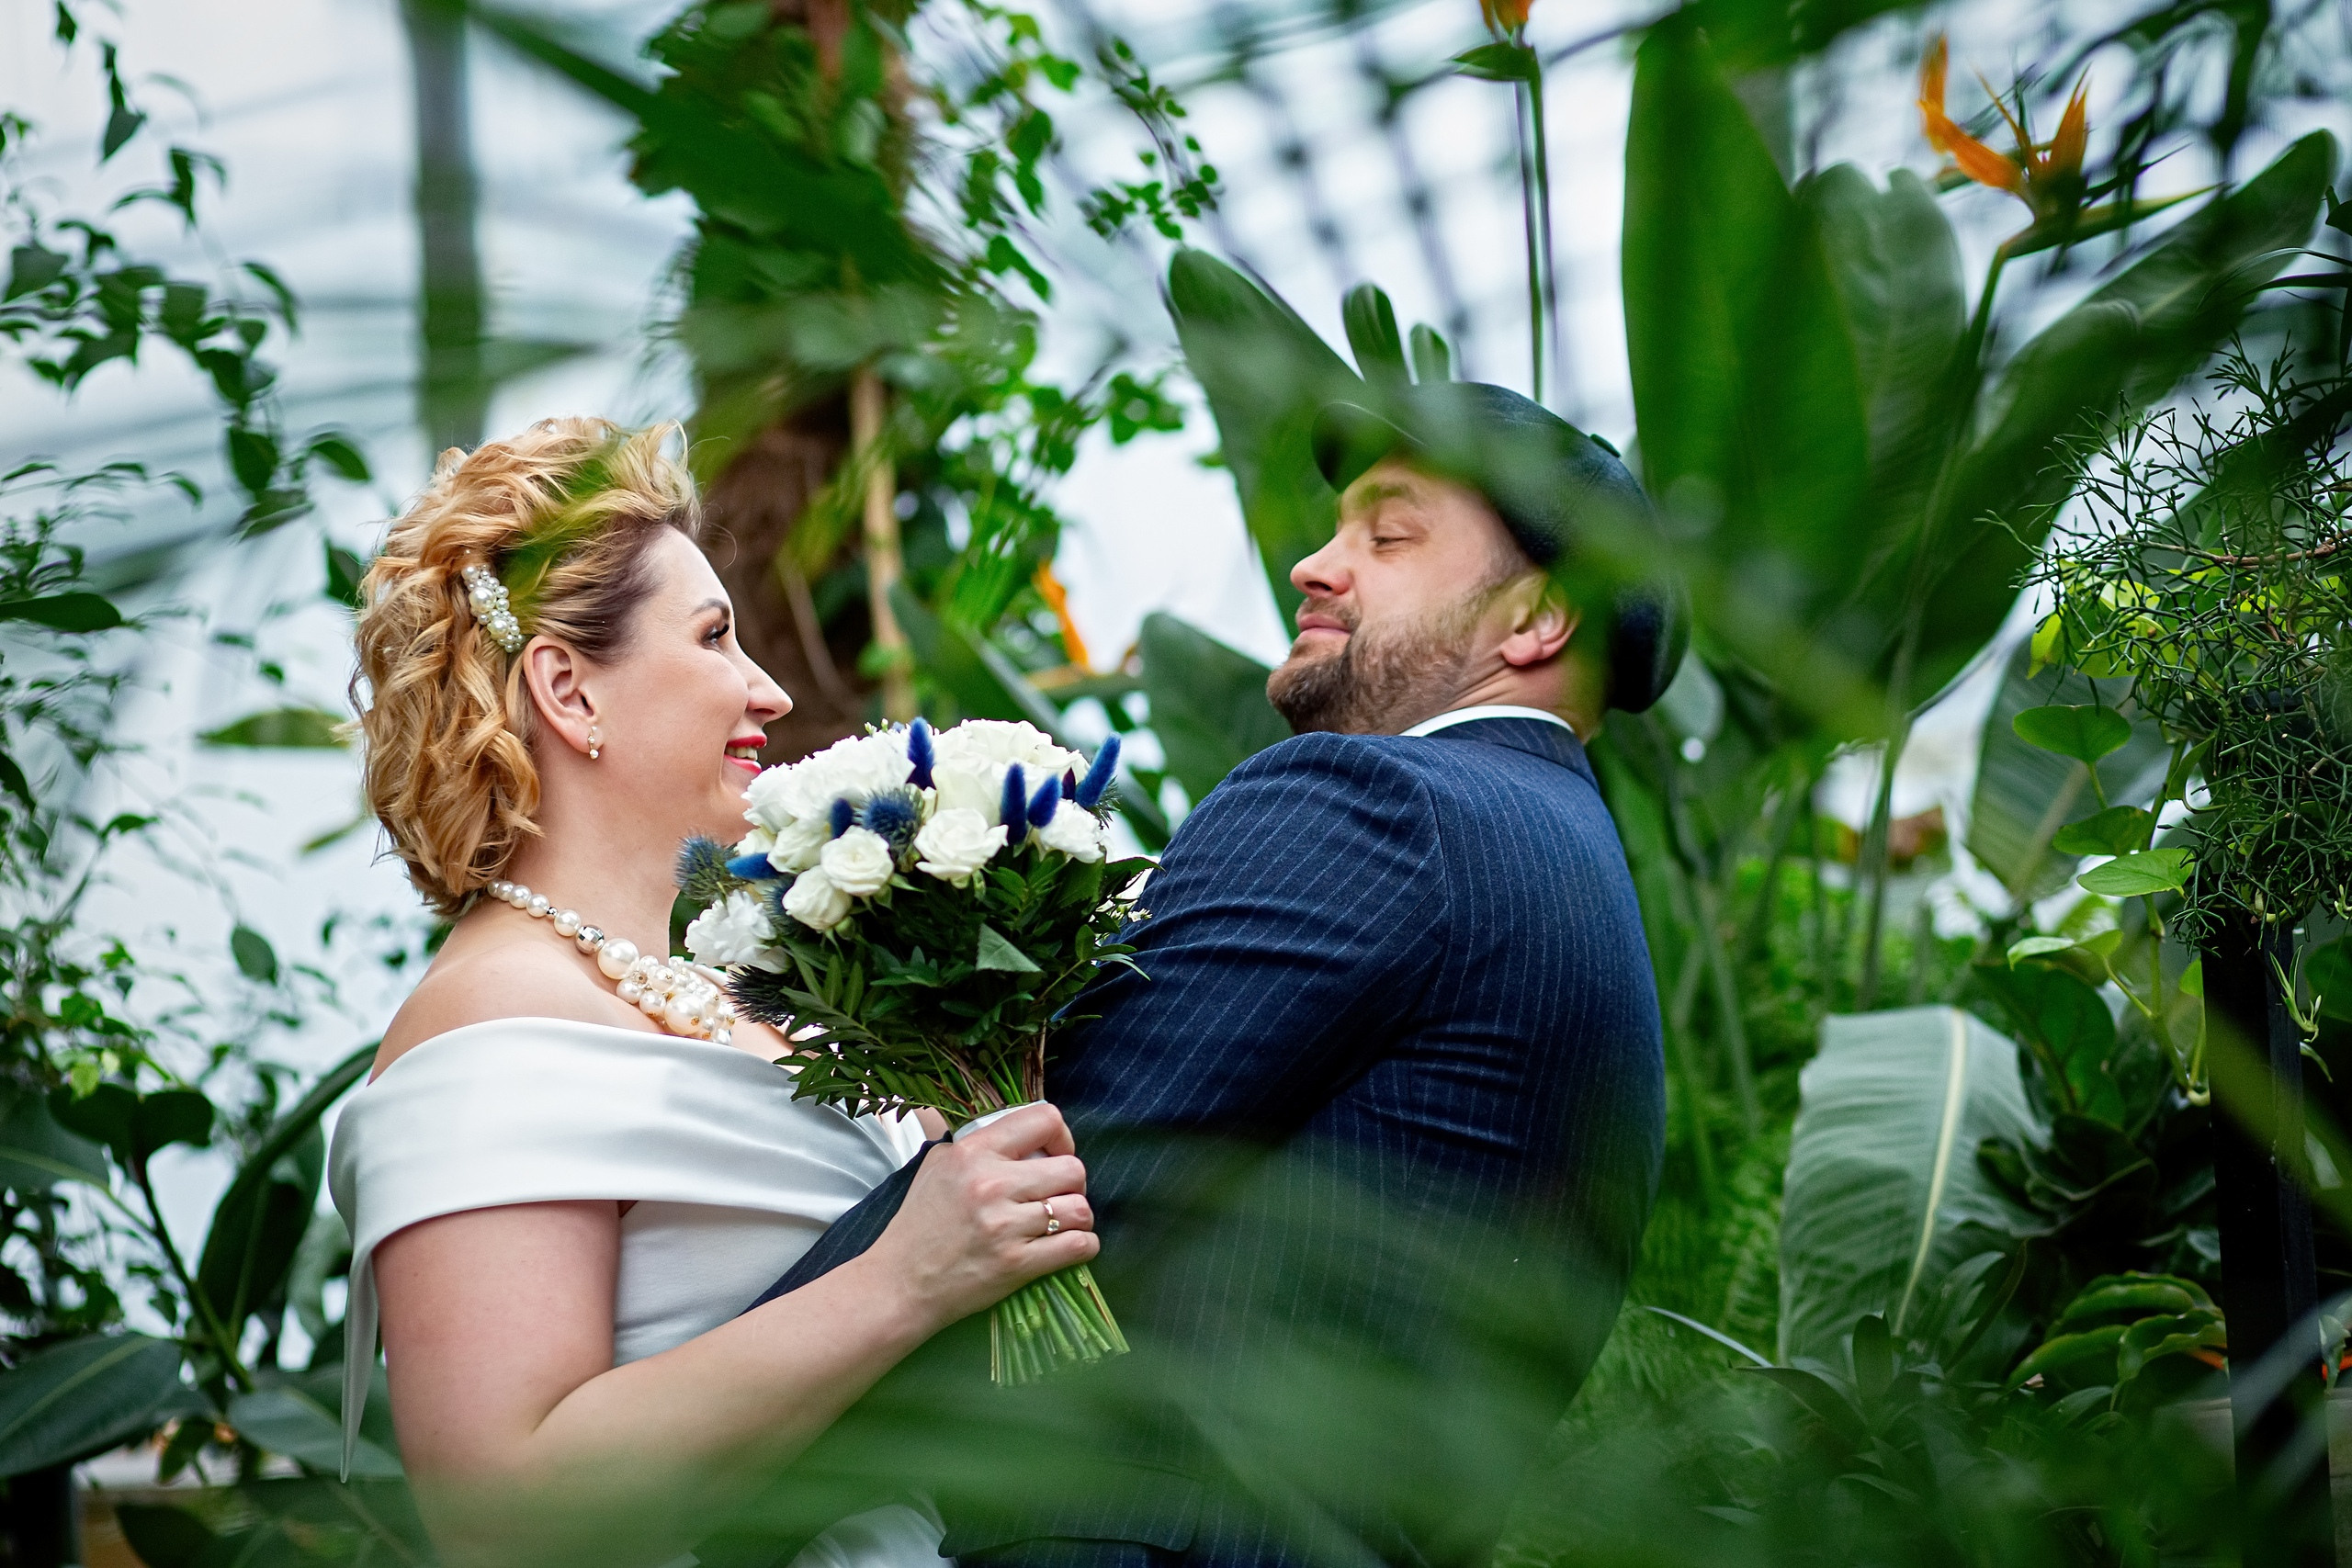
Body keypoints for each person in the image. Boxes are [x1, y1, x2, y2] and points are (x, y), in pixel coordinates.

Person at [753, 379, 1677, 1568]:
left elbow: (1049, 1173)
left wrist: (670, 1454)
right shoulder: (1572, 872)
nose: (1312, 563)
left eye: (1388, 535)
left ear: (1540, 618)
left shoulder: (1386, 802)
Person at [327, 417, 1100, 1568]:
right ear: (569, 692)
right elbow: (501, 1515)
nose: (772, 691)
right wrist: (908, 1277)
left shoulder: (729, 986)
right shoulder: (491, 1020)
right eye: (716, 638)